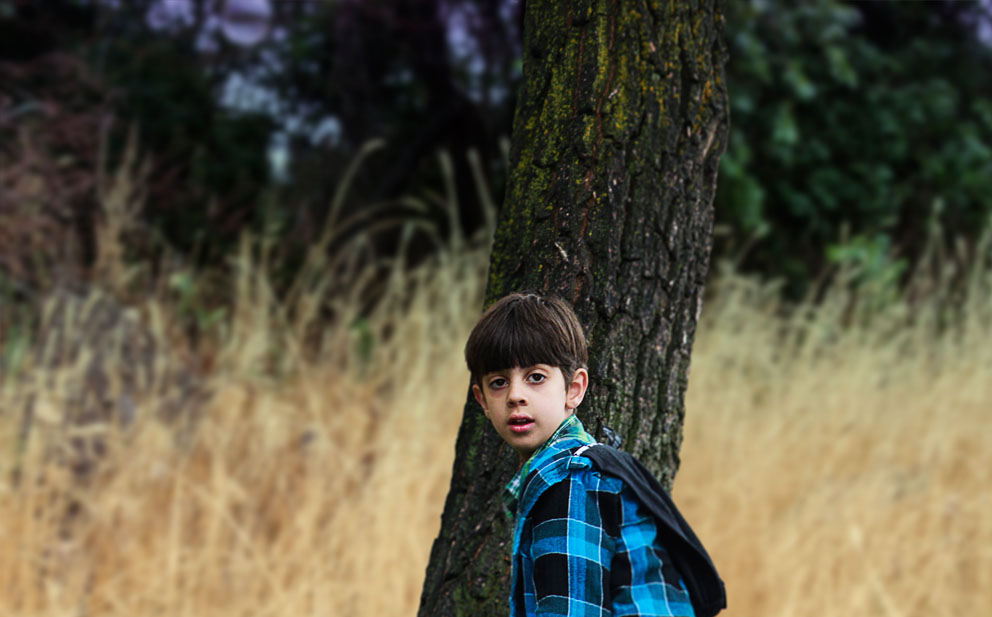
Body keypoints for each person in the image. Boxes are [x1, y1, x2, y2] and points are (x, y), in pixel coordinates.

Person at [465, 292, 699, 617]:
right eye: (499, 382)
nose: (515, 395)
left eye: (536, 377)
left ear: (574, 389)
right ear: (482, 400)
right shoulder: (580, 469)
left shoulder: (568, 479)